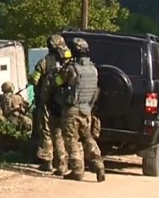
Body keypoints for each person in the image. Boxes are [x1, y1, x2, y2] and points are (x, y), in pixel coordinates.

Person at [54, 37, 106, 182]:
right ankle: (99, 164)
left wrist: (59, 71)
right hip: (87, 110)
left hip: (72, 110)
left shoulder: (72, 69)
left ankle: (77, 170)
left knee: (72, 139)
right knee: (87, 137)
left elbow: (58, 82)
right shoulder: (93, 70)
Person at [27, 34, 69, 174]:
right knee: (60, 132)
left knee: (46, 131)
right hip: (64, 103)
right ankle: (62, 162)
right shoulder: (69, 61)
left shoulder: (44, 61)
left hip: (46, 102)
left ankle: (47, 162)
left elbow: (34, 80)